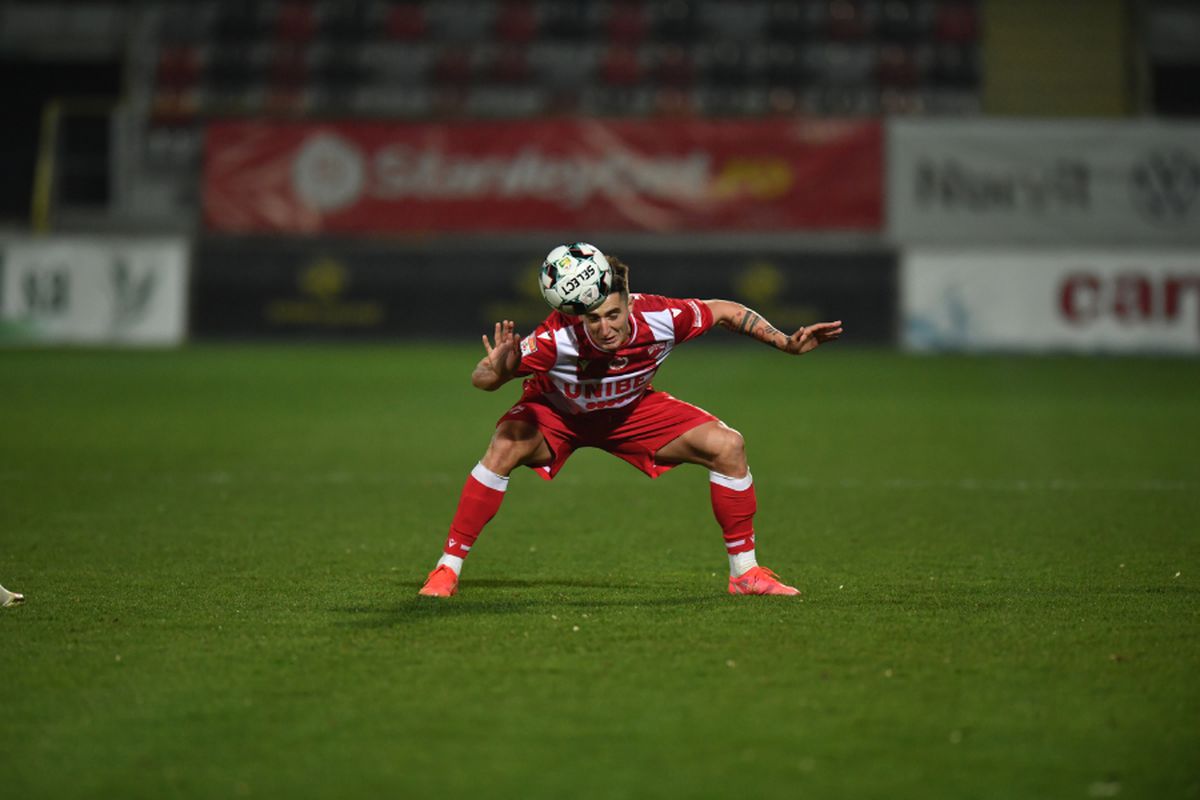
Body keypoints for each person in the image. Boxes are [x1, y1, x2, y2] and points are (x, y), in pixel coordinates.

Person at [419, 247, 842, 598]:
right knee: (504, 445)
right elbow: (482, 378)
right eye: (593, 319)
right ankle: (446, 570)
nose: (604, 328)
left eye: (613, 316)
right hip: (559, 415)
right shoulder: (556, 337)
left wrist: (785, 342)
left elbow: (726, 310)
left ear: (629, 303)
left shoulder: (661, 316)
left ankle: (746, 574)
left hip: (630, 414)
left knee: (728, 446)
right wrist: (501, 369)